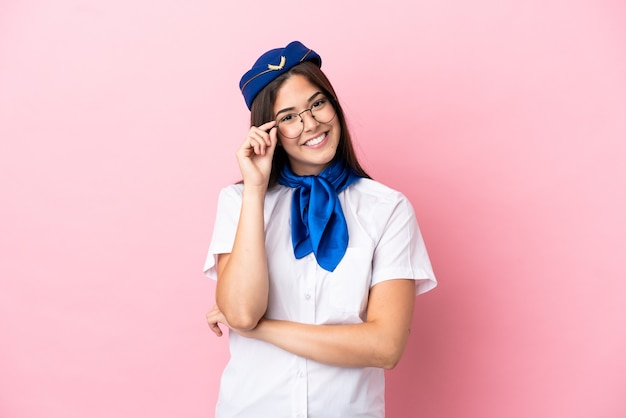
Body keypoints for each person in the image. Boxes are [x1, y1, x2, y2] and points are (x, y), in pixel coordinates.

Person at [204, 40, 437, 418]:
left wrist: (261, 330)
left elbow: (385, 346)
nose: (311, 124)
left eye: (317, 104)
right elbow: (243, 312)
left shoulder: (388, 209)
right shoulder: (238, 202)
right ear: (269, 131)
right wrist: (256, 190)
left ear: (333, 104)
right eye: (289, 117)